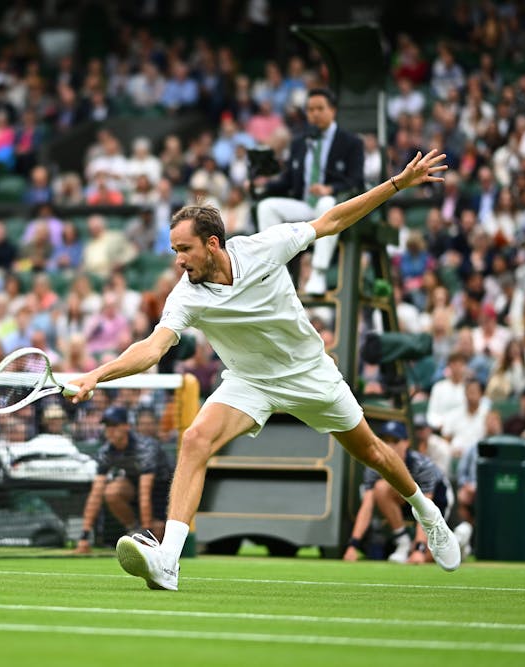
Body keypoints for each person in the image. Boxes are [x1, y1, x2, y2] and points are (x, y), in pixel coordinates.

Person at [68, 150, 459, 591]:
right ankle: (168, 561)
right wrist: (96, 374)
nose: (178, 260)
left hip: (309, 372)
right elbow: (152, 349)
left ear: (212, 244)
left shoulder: (264, 247)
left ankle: (426, 512)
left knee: (371, 452)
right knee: (195, 438)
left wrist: (396, 185)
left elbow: (330, 221)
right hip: (249, 381)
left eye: (184, 249)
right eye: (174, 250)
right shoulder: (186, 295)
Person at [254, 88, 364, 295]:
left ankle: (318, 273)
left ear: (333, 110)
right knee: (266, 207)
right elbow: (288, 179)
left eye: (320, 108)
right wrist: (263, 186)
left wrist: (330, 189)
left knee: (326, 203)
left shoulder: (351, 142)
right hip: (304, 205)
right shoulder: (299, 142)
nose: (314, 114)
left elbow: (357, 181)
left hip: (332, 207)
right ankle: (273, 273)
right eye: (310, 109)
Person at [343, 421, 452, 564]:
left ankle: (460, 541)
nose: (390, 446)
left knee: (428, 558)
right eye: (385, 441)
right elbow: (366, 507)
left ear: (406, 443)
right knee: (381, 488)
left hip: (438, 503)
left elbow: (426, 509)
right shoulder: (374, 467)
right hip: (408, 503)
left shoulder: (423, 466)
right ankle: (403, 543)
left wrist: (419, 549)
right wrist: (353, 545)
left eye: (395, 441)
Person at [74, 406, 173, 555]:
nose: (109, 430)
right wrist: (84, 535)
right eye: (107, 426)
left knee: (157, 535)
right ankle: (134, 529)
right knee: (111, 492)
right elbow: (96, 493)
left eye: (114, 425)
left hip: (163, 488)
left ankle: (145, 533)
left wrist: (148, 532)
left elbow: (145, 491)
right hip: (134, 484)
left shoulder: (145, 448)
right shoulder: (106, 451)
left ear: (126, 426)